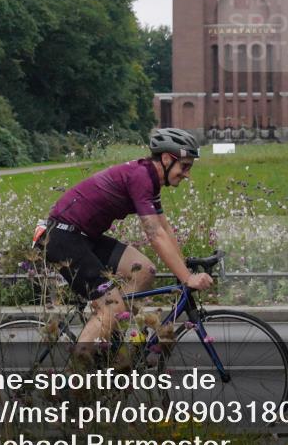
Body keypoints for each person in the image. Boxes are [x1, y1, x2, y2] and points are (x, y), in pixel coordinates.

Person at [41, 128, 213, 356]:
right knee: (111, 307)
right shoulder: (141, 177)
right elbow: (154, 233)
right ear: (165, 159)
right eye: (185, 166)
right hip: (63, 237)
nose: (187, 174)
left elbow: (165, 228)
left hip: (83, 237)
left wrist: (183, 267)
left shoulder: (150, 179)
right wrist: (188, 278)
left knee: (144, 270)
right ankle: (75, 379)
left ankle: (111, 342)